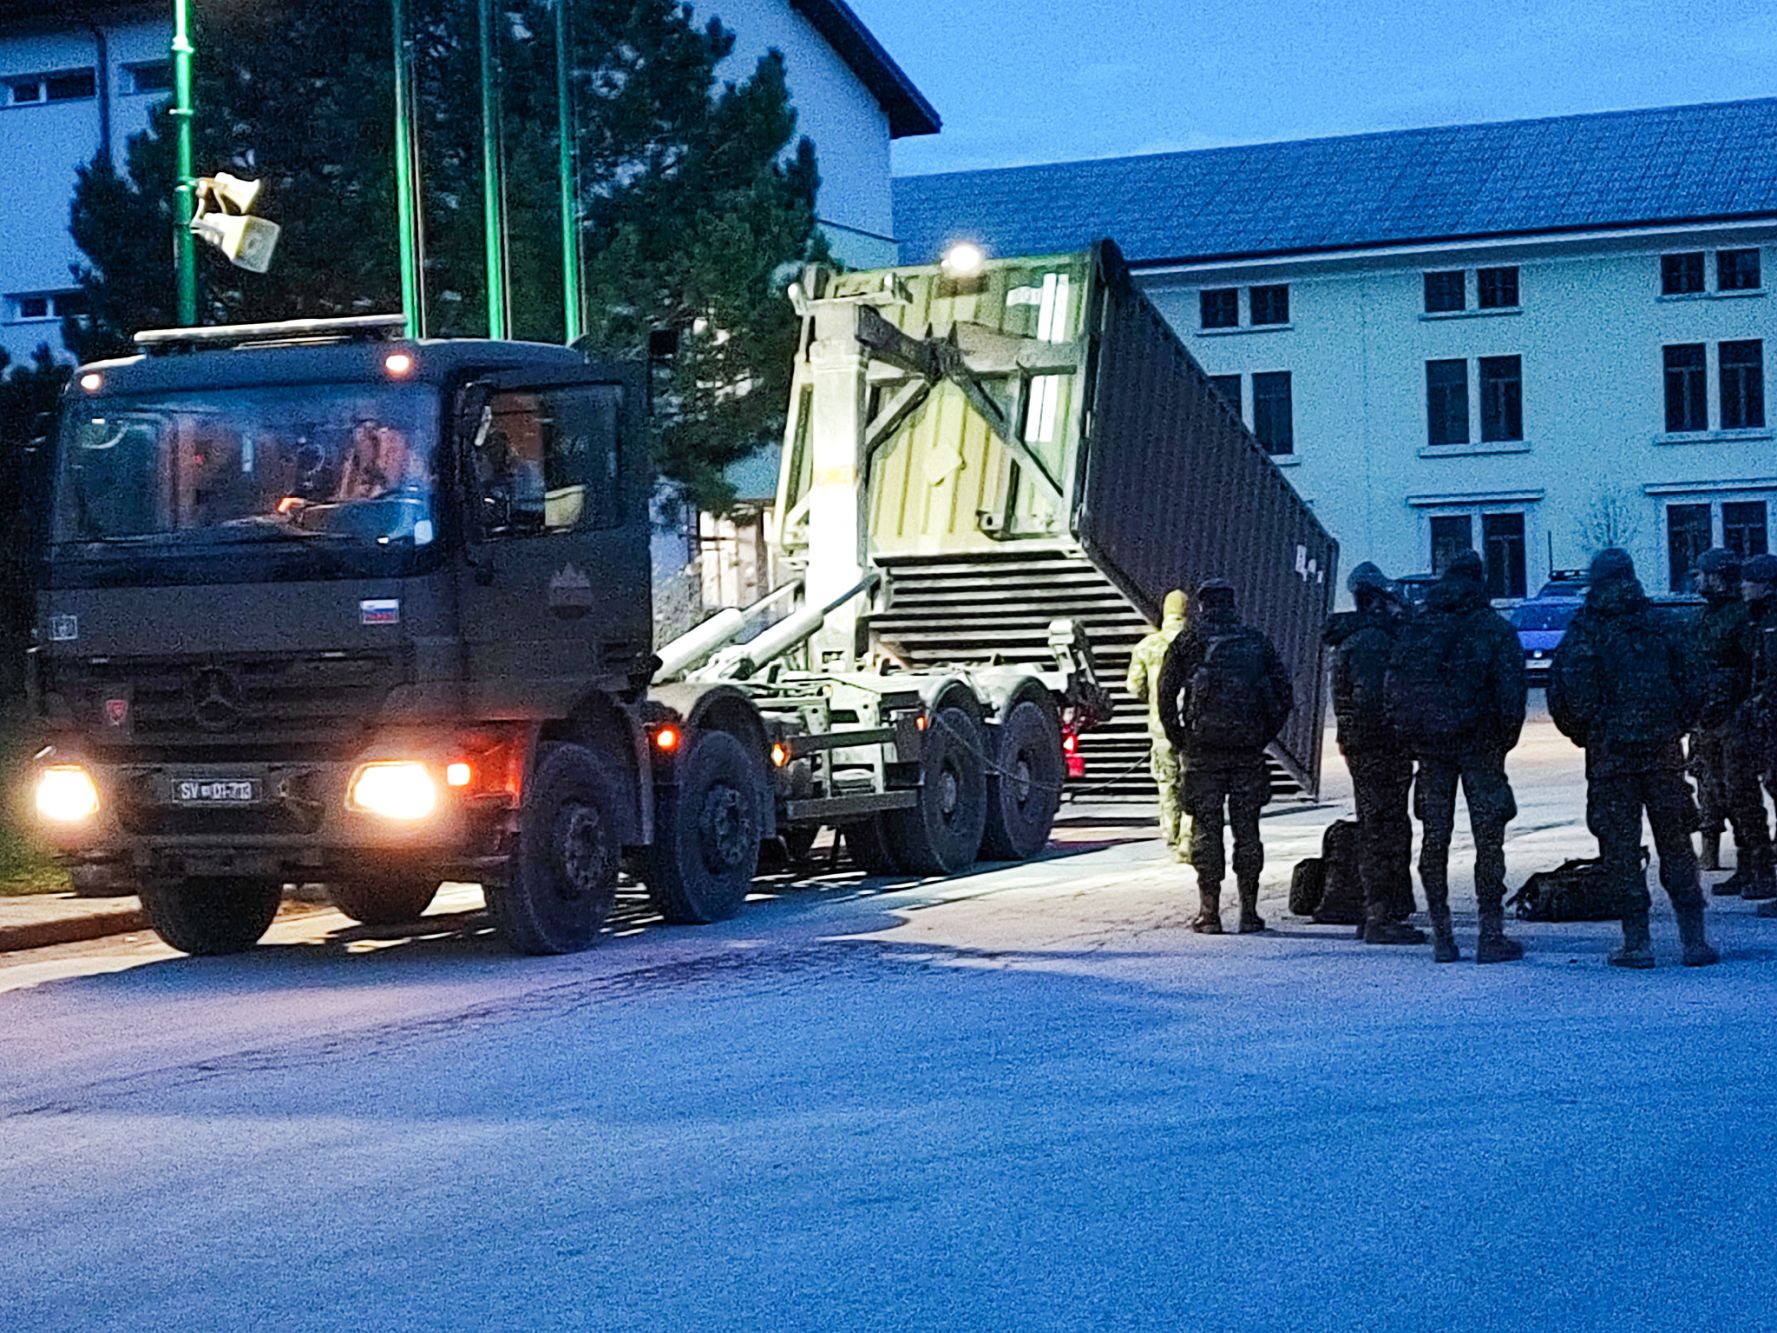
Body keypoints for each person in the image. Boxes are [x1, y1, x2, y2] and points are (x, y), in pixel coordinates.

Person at [1548, 548, 1718, 967]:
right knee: (1677, 845)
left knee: (1621, 851)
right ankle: (1694, 941)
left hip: (1610, 760)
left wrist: (1589, 735)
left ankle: (1637, 943)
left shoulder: (1584, 631)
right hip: (1662, 754)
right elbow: (1697, 682)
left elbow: (1562, 695)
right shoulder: (1662, 623)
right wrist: (1676, 724)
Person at [1384, 549, 1526, 964]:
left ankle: (1442, 936)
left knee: (1434, 839)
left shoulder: (1418, 626)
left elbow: (1393, 688)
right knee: (1489, 840)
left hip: (1430, 750)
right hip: (1481, 747)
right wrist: (1501, 741)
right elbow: (1512, 695)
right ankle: (1490, 934)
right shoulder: (1493, 628)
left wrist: (1411, 737)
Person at [1158, 579, 1293, 935]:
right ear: (1233, 605)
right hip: (1248, 752)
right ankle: (1249, 913)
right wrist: (1263, 735)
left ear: (1202, 606)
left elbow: (1165, 694)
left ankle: (1209, 913)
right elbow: (1284, 694)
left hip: (1202, 752)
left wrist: (1180, 738)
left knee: (1206, 828)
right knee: (1248, 830)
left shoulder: (1188, 641)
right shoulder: (1256, 642)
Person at [1324, 563, 1424, 946]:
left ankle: (1378, 912)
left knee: (1378, 825)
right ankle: (1380, 915)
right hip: (1379, 748)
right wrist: (1401, 734)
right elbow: (1374, 702)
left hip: (1366, 747)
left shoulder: (1359, 638)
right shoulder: (1372, 643)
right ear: (1377, 601)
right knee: (1384, 829)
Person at [1691, 548, 1757, 890]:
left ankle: (1759, 867)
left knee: (1741, 794)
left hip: (1735, 719)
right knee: (1719, 793)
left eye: (1704, 573)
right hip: (1710, 719)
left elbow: (1754, 667)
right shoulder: (1708, 615)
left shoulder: (1741, 616)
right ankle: (1746, 866)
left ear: (1719, 577)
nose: (1698, 579)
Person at [1127, 590, 1190, 862]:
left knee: (1167, 782)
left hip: (1161, 727)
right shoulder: (1199, 644)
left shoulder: (1147, 646)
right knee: (1192, 782)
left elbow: (1134, 687)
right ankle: (1188, 838)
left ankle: (1172, 835)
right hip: (1194, 728)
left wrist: (1153, 700)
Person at [1738, 553, 1777, 911]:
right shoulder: (1761, 620)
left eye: (1749, 581)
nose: (1743, 587)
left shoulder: (1772, 622)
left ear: (1766, 585)